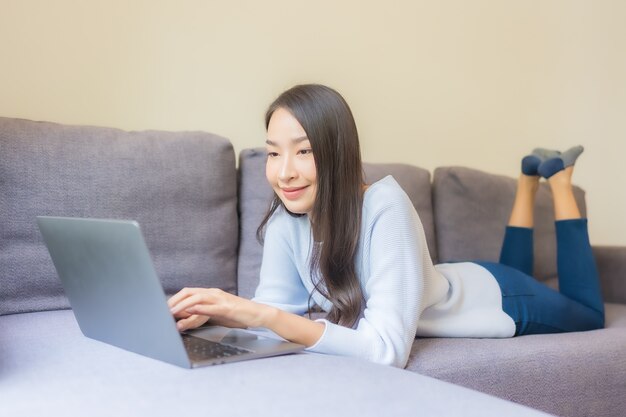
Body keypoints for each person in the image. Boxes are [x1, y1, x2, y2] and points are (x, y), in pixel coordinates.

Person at [168, 84, 605, 368]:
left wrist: (256, 313)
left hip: (497, 297)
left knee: (588, 313)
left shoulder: (384, 204)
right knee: (523, 271)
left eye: (303, 152)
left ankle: (559, 182)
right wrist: (221, 312)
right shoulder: (289, 219)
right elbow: (277, 312)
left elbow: (385, 351)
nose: (284, 173)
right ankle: (527, 182)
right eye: (274, 153)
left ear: (338, 151)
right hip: (454, 276)